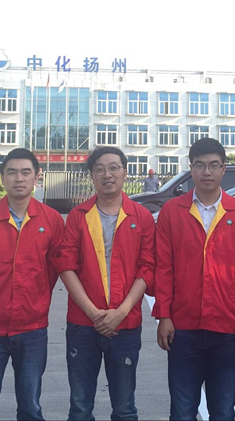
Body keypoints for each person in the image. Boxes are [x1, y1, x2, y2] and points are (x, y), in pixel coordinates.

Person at [154, 138, 235, 421]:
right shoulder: (172, 211)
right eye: (200, 165)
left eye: (214, 165)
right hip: (182, 327)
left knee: (223, 410)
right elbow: (163, 268)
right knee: (182, 411)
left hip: (226, 326)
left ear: (224, 169)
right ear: (191, 169)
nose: (207, 172)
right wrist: (164, 315)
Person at [0, 148, 64, 421]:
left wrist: (37, 302)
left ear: (36, 177)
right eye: (12, 172)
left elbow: (53, 270)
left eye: (26, 172)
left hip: (32, 328)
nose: (19, 178)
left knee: (31, 408)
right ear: (2, 178)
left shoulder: (51, 220)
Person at [55, 146, 155, 421]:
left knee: (124, 408)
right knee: (80, 408)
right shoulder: (78, 216)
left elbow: (147, 268)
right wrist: (93, 313)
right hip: (82, 324)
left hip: (126, 323)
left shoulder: (141, 217)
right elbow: (66, 266)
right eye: (99, 169)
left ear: (124, 172)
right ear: (92, 176)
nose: (107, 174)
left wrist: (121, 312)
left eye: (113, 168)